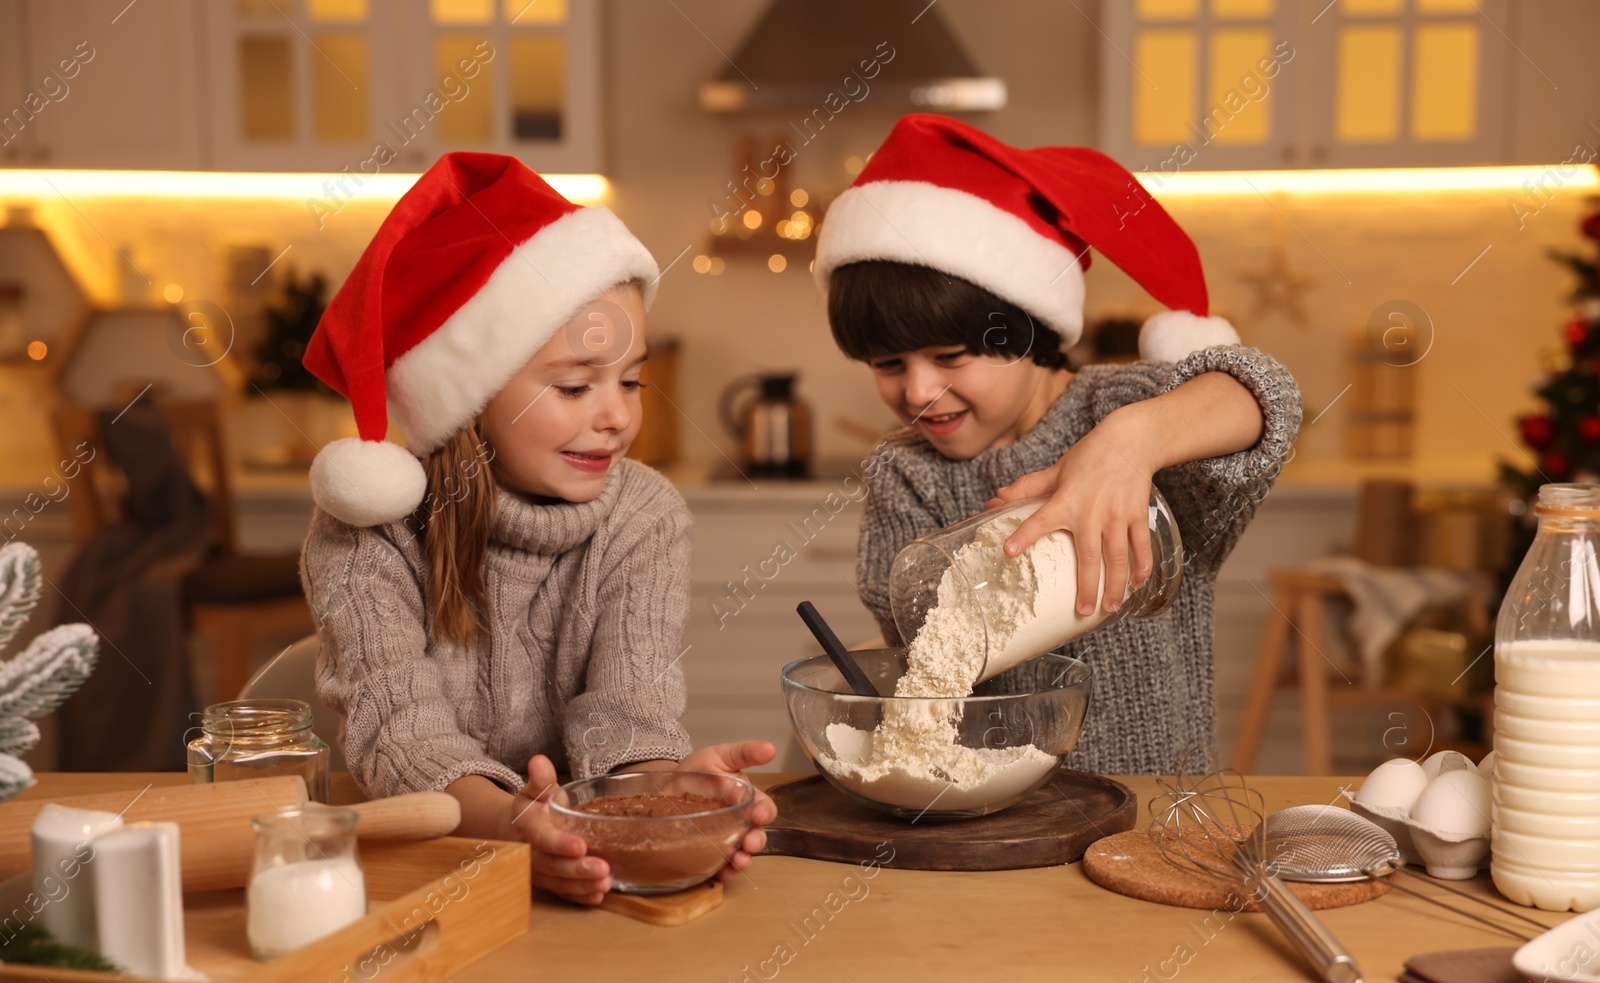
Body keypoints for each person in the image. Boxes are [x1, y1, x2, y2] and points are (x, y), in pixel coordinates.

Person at [299, 152, 774, 905]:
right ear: (471, 396)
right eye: (575, 385)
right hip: (418, 875)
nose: (616, 414)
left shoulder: (642, 515)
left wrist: (666, 796)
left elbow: (626, 715)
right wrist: (517, 823)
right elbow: (404, 738)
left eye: (631, 380)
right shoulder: (368, 531)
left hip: (572, 866)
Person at [815, 115, 1303, 774]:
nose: (919, 391)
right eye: (888, 364)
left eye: (950, 356)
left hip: (1152, 810)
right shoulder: (906, 472)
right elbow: (918, 637)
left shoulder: (1117, 409)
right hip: (989, 822)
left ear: (1024, 330)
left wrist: (1128, 445)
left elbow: (1268, 398)